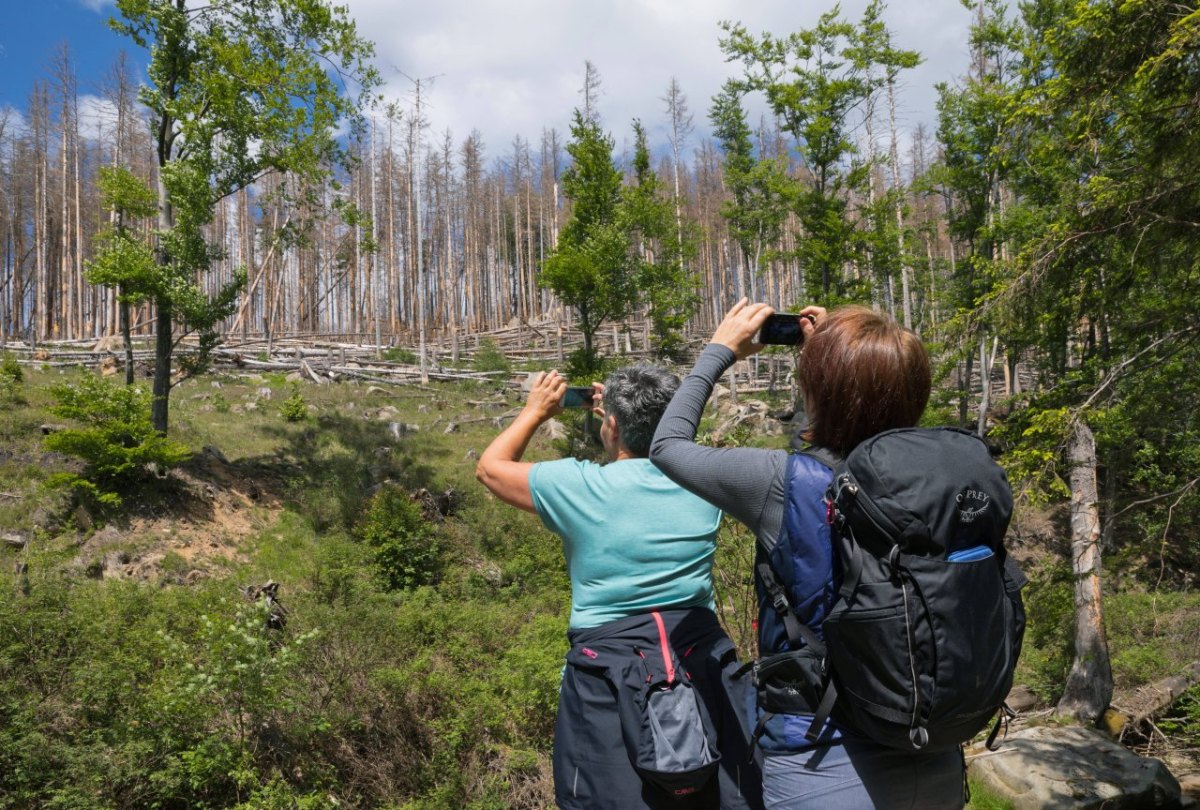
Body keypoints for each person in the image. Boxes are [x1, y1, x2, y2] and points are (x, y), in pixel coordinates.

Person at [649, 300, 964, 809]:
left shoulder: (783, 482)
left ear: (817, 389)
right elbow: (830, 445)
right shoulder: (943, 476)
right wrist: (835, 359)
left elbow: (666, 446)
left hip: (824, 761)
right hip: (933, 749)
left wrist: (718, 350)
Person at [475, 364, 762, 810]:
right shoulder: (708, 480)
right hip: (703, 664)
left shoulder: (579, 486)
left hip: (608, 675)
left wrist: (536, 411)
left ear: (611, 425)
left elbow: (491, 469)